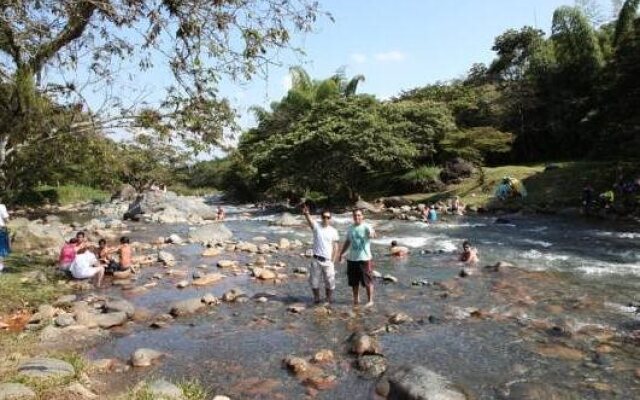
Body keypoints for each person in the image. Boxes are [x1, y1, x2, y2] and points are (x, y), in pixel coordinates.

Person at [302, 204, 339, 304]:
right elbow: (309, 220)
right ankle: (316, 298)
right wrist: (306, 213)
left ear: (330, 218)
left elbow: (336, 246)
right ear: (321, 217)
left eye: (328, 217)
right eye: (324, 217)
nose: (326, 219)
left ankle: (328, 298)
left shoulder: (333, 231)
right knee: (314, 282)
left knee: (330, 282)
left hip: (328, 260)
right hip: (316, 259)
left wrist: (333, 260)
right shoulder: (316, 227)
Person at [340, 209, 376, 308]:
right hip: (352, 259)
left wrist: (372, 234)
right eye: (355, 215)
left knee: (367, 281)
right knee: (354, 281)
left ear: (362, 216)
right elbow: (347, 241)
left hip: (364, 259)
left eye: (359, 215)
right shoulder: (350, 228)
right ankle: (356, 299)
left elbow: (372, 233)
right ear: (353, 217)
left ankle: (370, 300)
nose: (357, 217)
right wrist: (341, 253)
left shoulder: (366, 226)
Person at [0, 200, 10, 273]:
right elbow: (6, 219)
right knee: (1, 249)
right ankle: (0, 267)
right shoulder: (2, 206)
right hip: (1, 229)